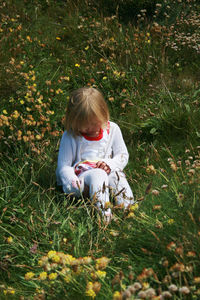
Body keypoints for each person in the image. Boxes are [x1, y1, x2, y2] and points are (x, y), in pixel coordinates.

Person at [56, 87, 134, 223]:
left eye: (94, 123)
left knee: (118, 177)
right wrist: (71, 182)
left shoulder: (113, 129)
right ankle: (104, 215)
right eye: (85, 126)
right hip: (84, 177)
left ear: (104, 115)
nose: (90, 129)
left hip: (108, 170)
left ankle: (128, 209)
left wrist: (110, 164)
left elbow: (122, 155)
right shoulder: (70, 136)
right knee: (99, 174)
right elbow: (64, 165)